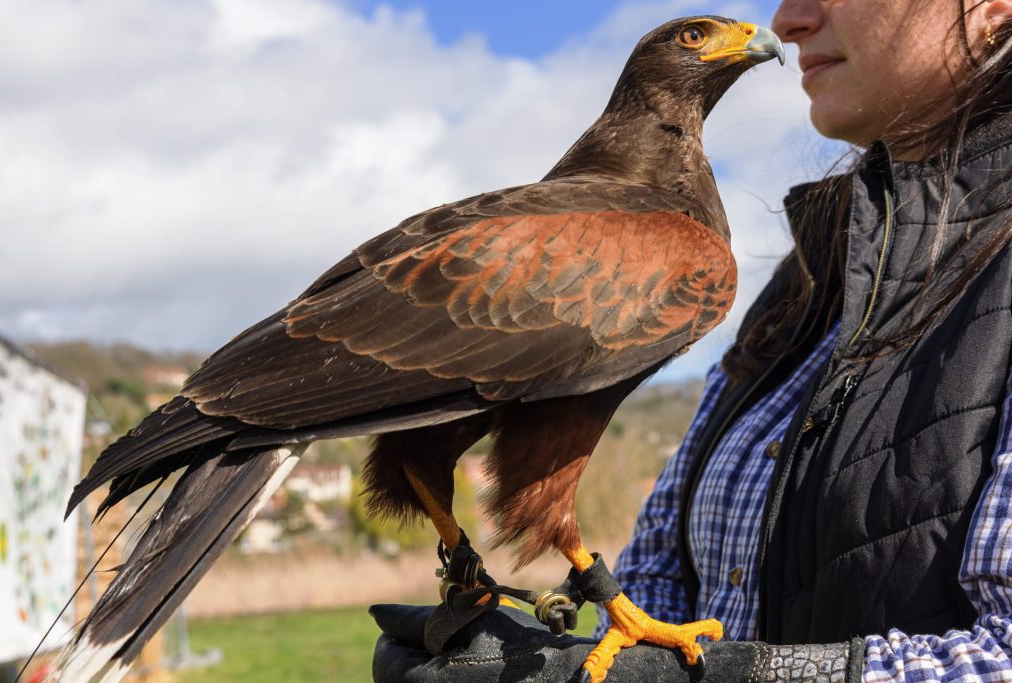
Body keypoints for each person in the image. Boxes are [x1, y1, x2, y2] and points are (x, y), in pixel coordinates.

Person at [371, 0, 1012, 680]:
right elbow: (664, 567)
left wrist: (733, 676)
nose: (788, 20)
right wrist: (583, 654)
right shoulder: (805, 282)